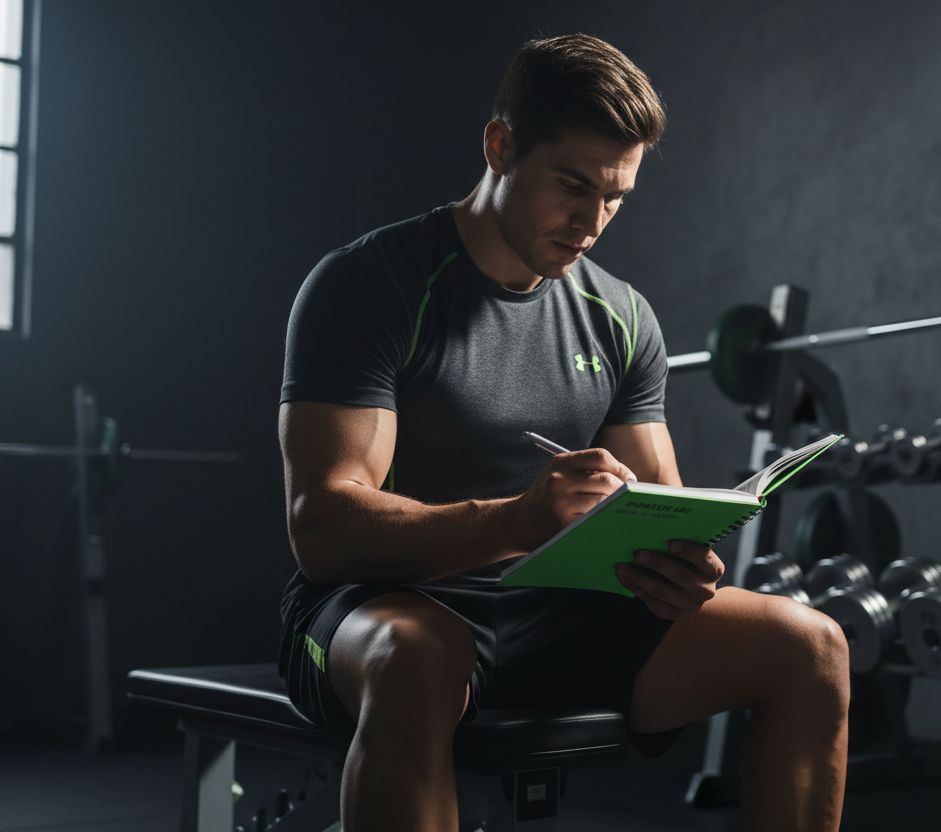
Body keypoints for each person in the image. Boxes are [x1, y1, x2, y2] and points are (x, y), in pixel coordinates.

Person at [277, 32, 849, 831]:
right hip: (381, 607)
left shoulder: (622, 317)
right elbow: (324, 529)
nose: (592, 221)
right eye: (573, 186)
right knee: (416, 658)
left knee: (810, 646)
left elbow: (664, 506)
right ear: (500, 146)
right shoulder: (372, 284)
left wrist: (679, 569)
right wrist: (516, 520)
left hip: (554, 616)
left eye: (616, 197)